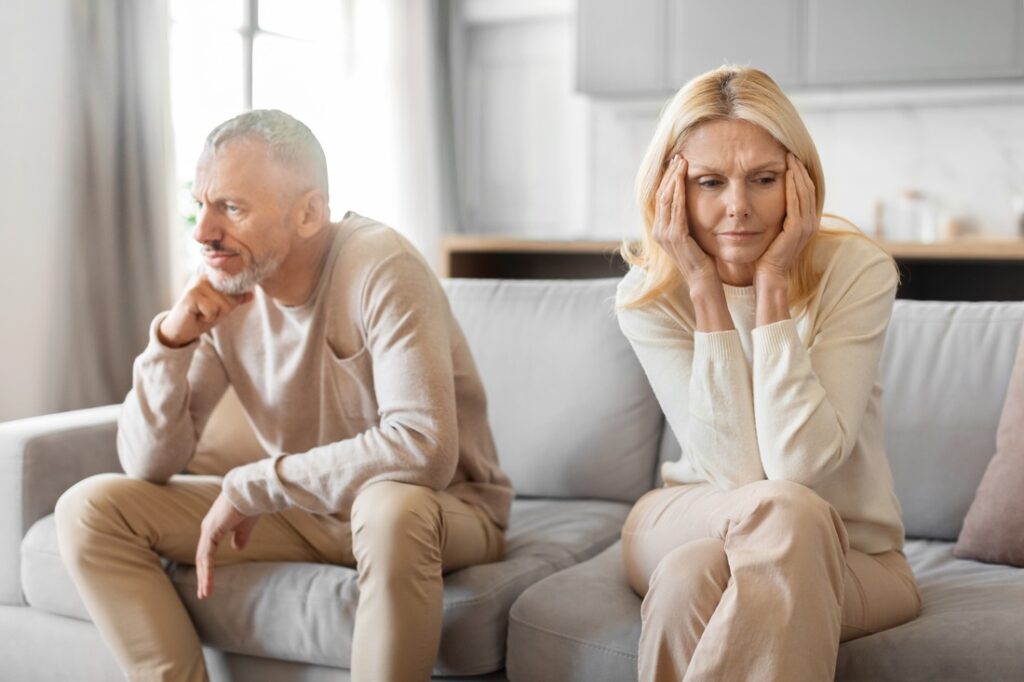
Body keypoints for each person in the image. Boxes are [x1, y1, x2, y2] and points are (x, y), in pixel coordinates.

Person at [55, 109, 513, 682]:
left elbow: (423, 447)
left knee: (388, 506)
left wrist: (255, 485)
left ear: (309, 213)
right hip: (307, 513)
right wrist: (171, 341)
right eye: (201, 204)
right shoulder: (227, 291)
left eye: (231, 208)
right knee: (91, 509)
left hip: (443, 510)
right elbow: (149, 461)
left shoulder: (381, 266)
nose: (202, 232)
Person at [615, 66, 921, 681]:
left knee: (693, 577)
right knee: (767, 518)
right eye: (709, 182)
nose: (738, 208)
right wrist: (704, 291)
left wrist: (772, 286)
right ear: (670, 190)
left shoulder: (857, 273)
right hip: (690, 516)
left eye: (763, 179)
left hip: (854, 556)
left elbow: (796, 469)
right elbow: (734, 475)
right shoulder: (649, 298)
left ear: (799, 181)